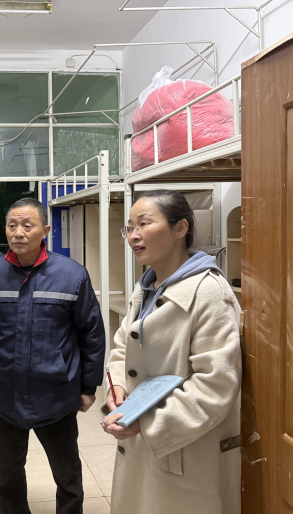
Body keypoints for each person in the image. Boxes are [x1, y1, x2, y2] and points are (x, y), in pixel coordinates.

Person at [101, 190, 241, 514]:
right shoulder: (145, 287)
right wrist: (117, 387)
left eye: (144, 224)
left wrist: (147, 423)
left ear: (180, 228)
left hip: (184, 448)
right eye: (129, 227)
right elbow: (122, 345)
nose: (133, 235)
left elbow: (216, 384)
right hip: (143, 441)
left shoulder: (209, 293)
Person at [0, 198, 106, 514]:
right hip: (5, 393)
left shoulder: (72, 275)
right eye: (12, 225)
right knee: (8, 474)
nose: (18, 232)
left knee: (67, 472)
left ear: (45, 230)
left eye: (27, 225)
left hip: (56, 393)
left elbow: (91, 333)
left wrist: (88, 386)